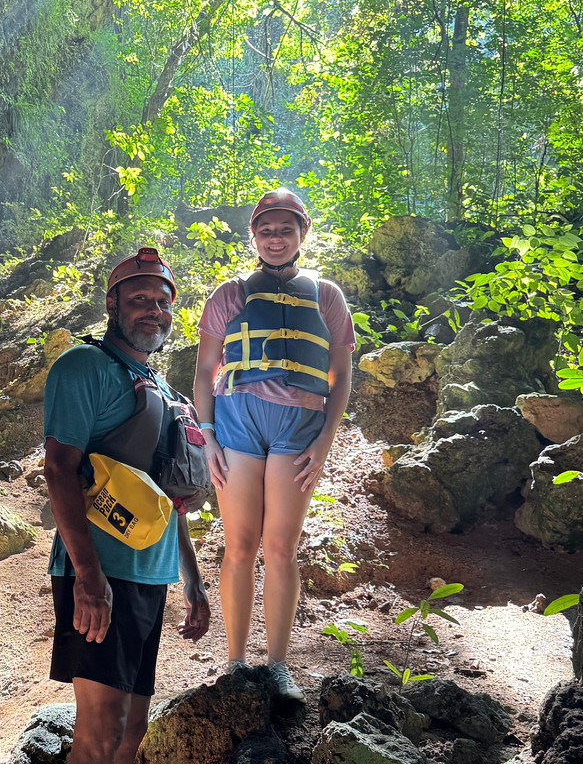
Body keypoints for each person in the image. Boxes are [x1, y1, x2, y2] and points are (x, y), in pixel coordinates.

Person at [44, 247, 211, 764]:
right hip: (103, 573)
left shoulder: (162, 388)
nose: (153, 310)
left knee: (131, 731)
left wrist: (193, 581)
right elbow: (58, 469)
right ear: (112, 304)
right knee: (102, 733)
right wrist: (89, 579)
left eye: (162, 301)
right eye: (140, 299)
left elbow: (169, 501)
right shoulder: (83, 367)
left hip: (149, 575)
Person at [193, 188, 354, 703]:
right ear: (253, 237)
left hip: (299, 430)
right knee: (240, 545)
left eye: (286, 229)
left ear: (302, 233)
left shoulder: (326, 295)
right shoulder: (229, 294)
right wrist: (209, 436)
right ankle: (237, 664)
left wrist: (326, 442)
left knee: (281, 548)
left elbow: (341, 374)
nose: (276, 238)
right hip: (238, 426)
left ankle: (278, 667)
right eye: (266, 230)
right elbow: (203, 372)